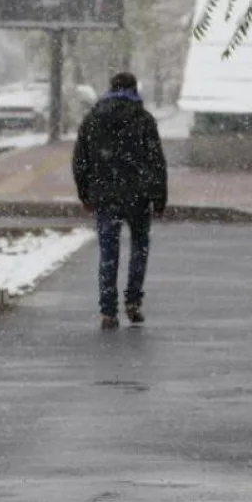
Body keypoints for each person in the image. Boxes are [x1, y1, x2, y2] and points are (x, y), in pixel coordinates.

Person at [71, 72, 168, 330]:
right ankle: (134, 302)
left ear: (110, 88)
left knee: (108, 252)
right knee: (139, 247)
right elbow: (157, 161)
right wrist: (159, 198)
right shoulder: (144, 120)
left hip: (105, 195)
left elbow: (80, 160)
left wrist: (85, 194)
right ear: (134, 90)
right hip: (138, 195)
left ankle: (108, 312)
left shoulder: (93, 119)